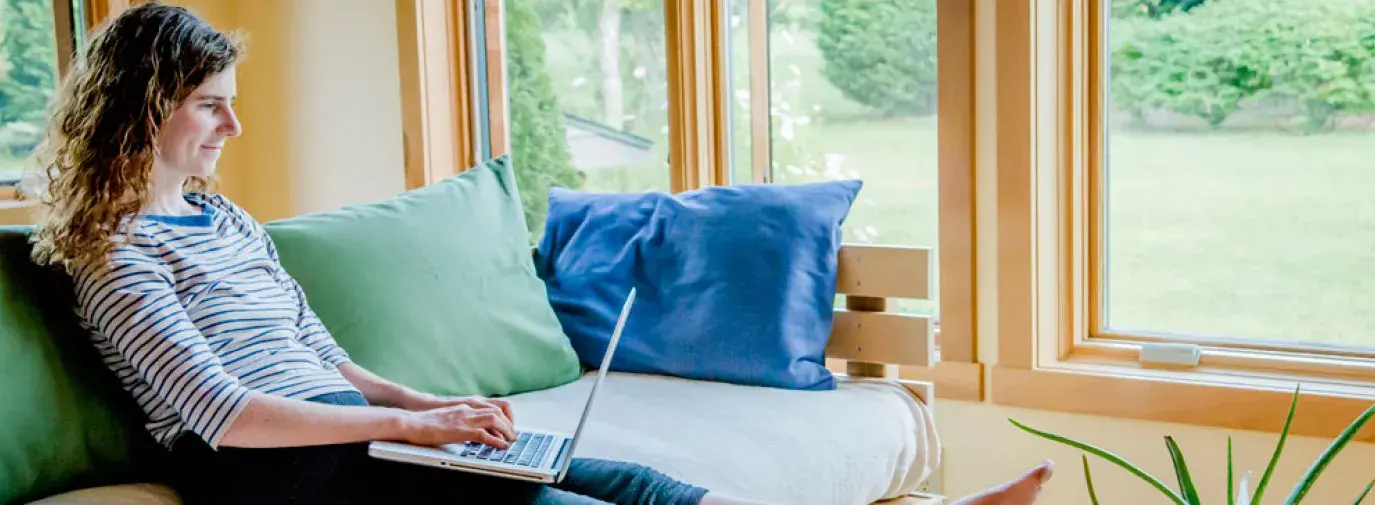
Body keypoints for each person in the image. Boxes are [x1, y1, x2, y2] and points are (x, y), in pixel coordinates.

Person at [29, 3, 1053, 504]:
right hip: (262, 472)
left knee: (621, 474)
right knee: (556, 501)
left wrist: (428, 411)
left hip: (344, 429)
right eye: (211, 106)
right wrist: (410, 428)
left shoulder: (225, 221)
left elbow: (323, 354)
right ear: (145, 106)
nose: (232, 130)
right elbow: (227, 414)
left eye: (233, 105)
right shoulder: (113, 255)